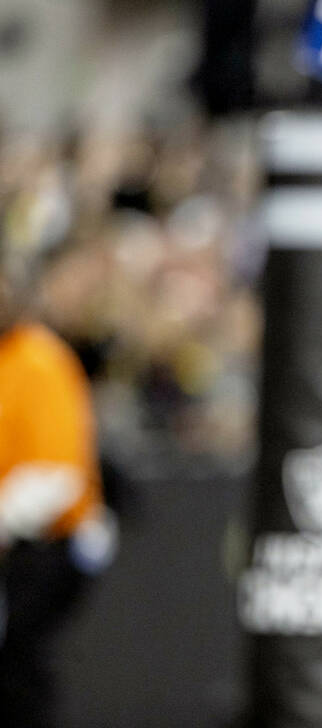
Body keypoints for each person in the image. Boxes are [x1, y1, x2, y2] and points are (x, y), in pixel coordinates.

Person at [0, 269, 109, 728]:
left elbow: (59, 475)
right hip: (20, 544)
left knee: (18, 657)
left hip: (50, 544)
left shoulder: (39, 359)